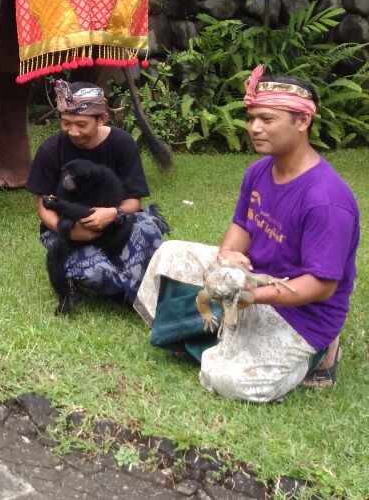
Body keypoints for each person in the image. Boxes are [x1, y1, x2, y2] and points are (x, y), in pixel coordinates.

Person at [135, 69, 359, 403]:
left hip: (299, 311)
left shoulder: (327, 200)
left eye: (267, 119)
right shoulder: (259, 170)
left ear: (302, 121)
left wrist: (250, 296)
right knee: (169, 255)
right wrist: (227, 257)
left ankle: (322, 356)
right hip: (251, 278)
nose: (254, 127)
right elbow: (242, 225)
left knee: (231, 380)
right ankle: (225, 336)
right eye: (251, 118)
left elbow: (321, 286)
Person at [25, 80, 166, 306]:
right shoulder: (50, 150)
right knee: (97, 273)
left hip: (114, 222)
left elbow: (133, 201)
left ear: (101, 119)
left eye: (81, 124)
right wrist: (71, 233)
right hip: (66, 226)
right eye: (66, 123)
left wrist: (112, 213)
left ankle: (135, 281)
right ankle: (81, 278)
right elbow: (44, 204)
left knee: (149, 227)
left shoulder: (122, 143)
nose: (73, 131)